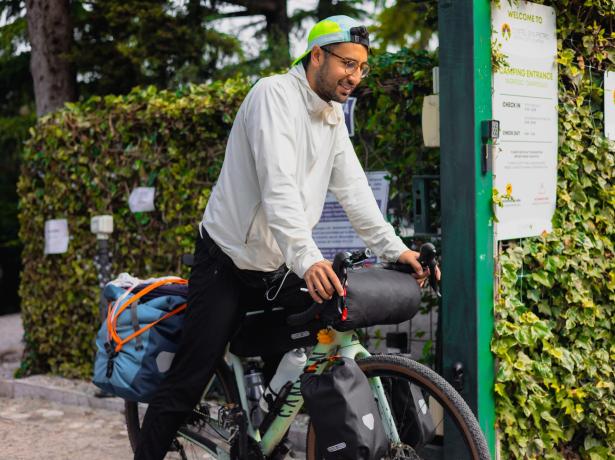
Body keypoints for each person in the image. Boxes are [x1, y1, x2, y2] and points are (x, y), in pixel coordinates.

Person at [135, 15, 429, 460]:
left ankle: (262, 442)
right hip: (227, 263)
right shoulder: (272, 95)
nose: (355, 76)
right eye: (347, 63)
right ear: (317, 56)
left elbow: (355, 193)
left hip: (277, 264)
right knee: (187, 380)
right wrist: (310, 259)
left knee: (302, 349)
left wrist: (398, 249)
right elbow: (279, 190)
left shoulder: (331, 118)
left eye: (362, 67)